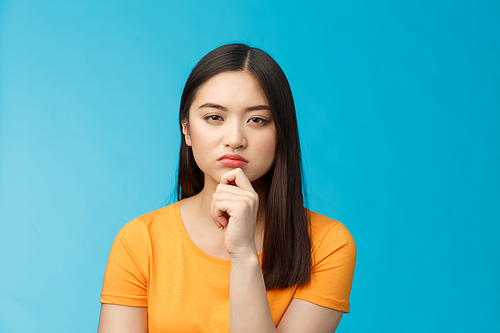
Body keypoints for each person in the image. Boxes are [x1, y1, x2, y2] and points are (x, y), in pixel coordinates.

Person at [97, 43, 356, 333]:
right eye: (214, 117)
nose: (234, 139)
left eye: (257, 120)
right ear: (187, 129)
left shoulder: (326, 244)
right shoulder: (140, 241)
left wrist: (243, 254)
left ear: (281, 132)